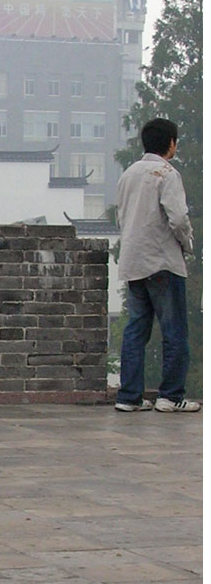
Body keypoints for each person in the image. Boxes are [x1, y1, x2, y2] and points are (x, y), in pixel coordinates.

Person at [114, 117, 200, 413]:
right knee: (174, 331)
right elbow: (178, 218)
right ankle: (171, 395)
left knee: (136, 331)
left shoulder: (129, 174)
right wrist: (187, 244)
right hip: (163, 261)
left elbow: (122, 216)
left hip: (133, 261)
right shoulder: (167, 173)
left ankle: (129, 396)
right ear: (171, 143)